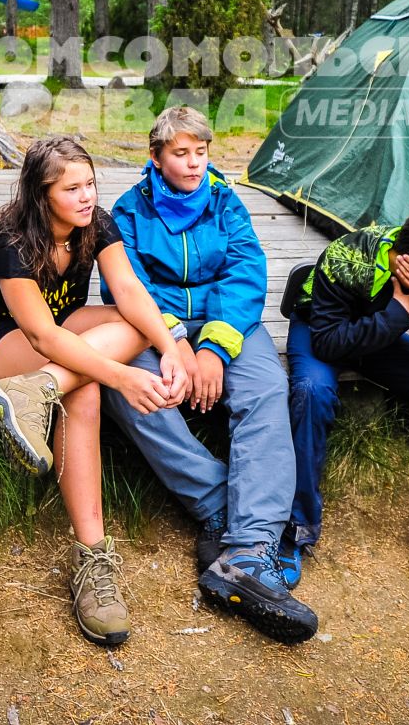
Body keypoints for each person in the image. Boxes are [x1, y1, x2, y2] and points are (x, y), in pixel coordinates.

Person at [0, 136, 191, 647]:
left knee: (135, 324)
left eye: (90, 184)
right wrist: (123, 376)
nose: (87, 197)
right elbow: (42, 335)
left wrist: (171, 347)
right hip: (0, 337)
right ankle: (94, 557)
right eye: (72, 189)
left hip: (58, 331)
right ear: (42, 197)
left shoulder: (96, 223)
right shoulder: (11, 241)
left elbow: (129, 292)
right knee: (87, 387)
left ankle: (39, 391)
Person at [101, 106, 317, 643]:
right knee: (132, 390)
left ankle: (246, 551)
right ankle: (220, 505)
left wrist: (215, 350)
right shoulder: (128, 212)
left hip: (228, 322)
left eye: (201, 152)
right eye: (181, 153)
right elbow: (124, 286)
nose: (195, 164)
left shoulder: (225, 201)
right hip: (155, 328)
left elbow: (246, 272)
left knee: (267, 389)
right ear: (156, 158)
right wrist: (174, 341)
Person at [285, 208, 409, 592]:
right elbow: (327, 343)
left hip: (381, 334)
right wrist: (401, 312)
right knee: (311, 393)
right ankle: (293, 529)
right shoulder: (347, 257)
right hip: (321, 332)